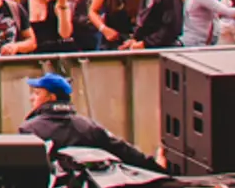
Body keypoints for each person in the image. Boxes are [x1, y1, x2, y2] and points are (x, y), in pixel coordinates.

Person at [22, 69, 157, 168]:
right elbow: (125, 152)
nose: (31, 98)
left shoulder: (29, 129)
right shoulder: (89, 127)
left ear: (51, 97)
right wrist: (157, 168)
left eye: (37, 93)